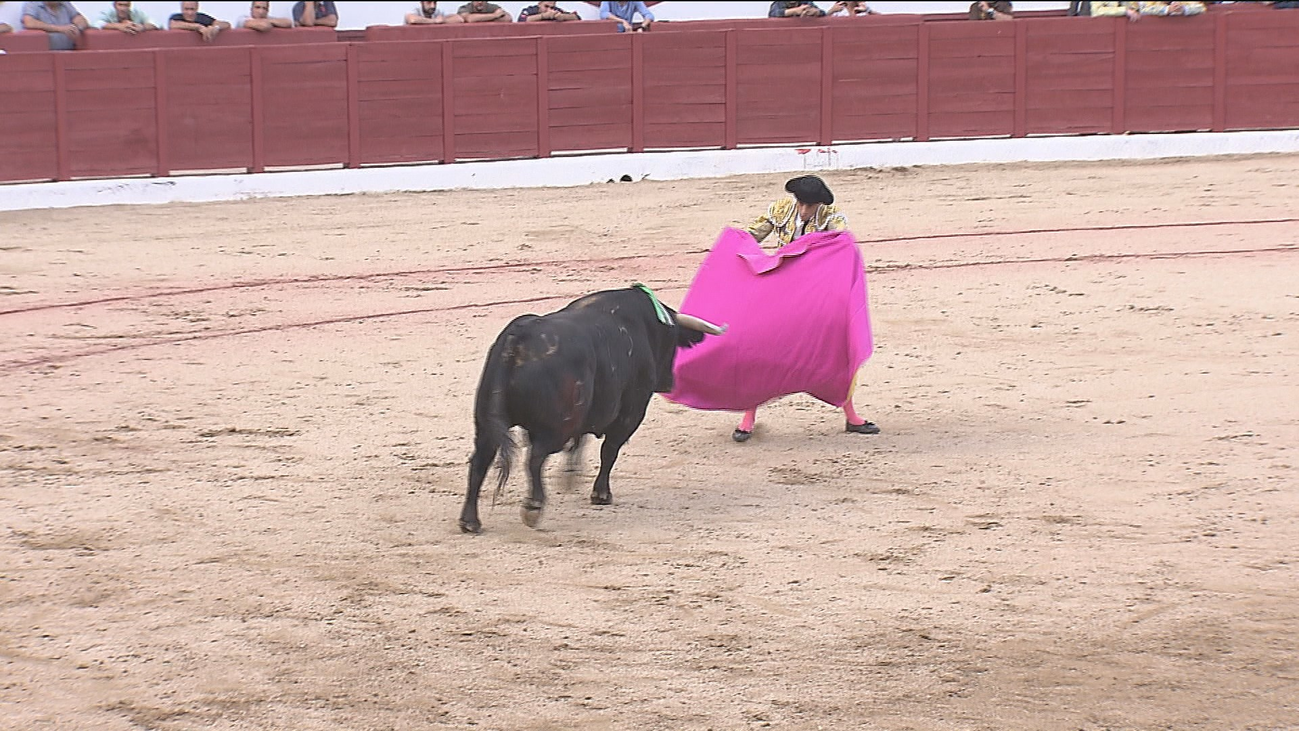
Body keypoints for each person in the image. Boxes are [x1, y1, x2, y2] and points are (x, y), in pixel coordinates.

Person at [730, 175, 879, 442]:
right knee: (758, 348)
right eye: (801, 203)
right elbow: (751, 237)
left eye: (810, 206)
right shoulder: (779, 210)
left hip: (816, 295)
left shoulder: (832, 218)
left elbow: (842, 243)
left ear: (819, 204)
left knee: (837, 351)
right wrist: (732, 247)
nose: (804, 210)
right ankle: (748, 416)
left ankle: (852, 416)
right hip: (781, 290)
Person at [21, 1, 88, 50]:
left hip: (69, 51)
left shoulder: (65, 4)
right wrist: (59, 29)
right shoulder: (33, 4)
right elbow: (28, 22)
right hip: (45, 54)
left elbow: (80, 19)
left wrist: (77, 28)